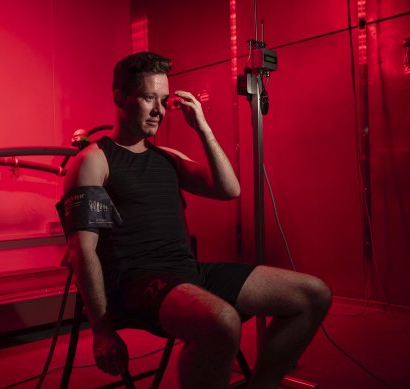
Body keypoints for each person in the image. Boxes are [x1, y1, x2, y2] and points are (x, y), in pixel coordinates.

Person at [62, 51, 332, 389]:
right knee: (222, 321)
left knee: (313, 294)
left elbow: (229, 188)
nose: (159, 110)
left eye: (163, 99)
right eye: (149, 98)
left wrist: (202, 127)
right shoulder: (94, 160)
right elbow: (82, 251)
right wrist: (101, 331)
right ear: (119, 97)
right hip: (135, 284)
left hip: (187, 271)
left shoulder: (168, 157)